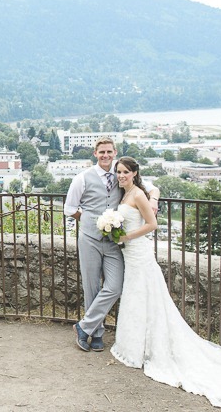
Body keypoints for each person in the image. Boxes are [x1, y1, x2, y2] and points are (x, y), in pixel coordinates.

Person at [110, 156, 221, 409]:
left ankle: (146, 348)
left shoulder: (138, 194)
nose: (121, 175)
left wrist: (126, 235)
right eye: (118, 172)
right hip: (130, 253)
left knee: (144, 295)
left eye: (125, 172)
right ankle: (134, 346)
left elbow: (152, 224)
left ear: (134, 173)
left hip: (139, 252)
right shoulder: (125, 192)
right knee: (136, 297)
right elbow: (153, 191)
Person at [63, 137, 159, 352]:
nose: (106, 156)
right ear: (95, 154)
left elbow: (151, 188)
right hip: (89, 239)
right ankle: (96, 334)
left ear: (114, 152)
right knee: (91, 287)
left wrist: (153, 200)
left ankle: (84, 326)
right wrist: (90, 221)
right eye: (101, 152)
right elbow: (69, 208)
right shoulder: (82, 178)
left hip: (114, 242)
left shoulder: (121, 173)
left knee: (114, 287)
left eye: (109, 152)